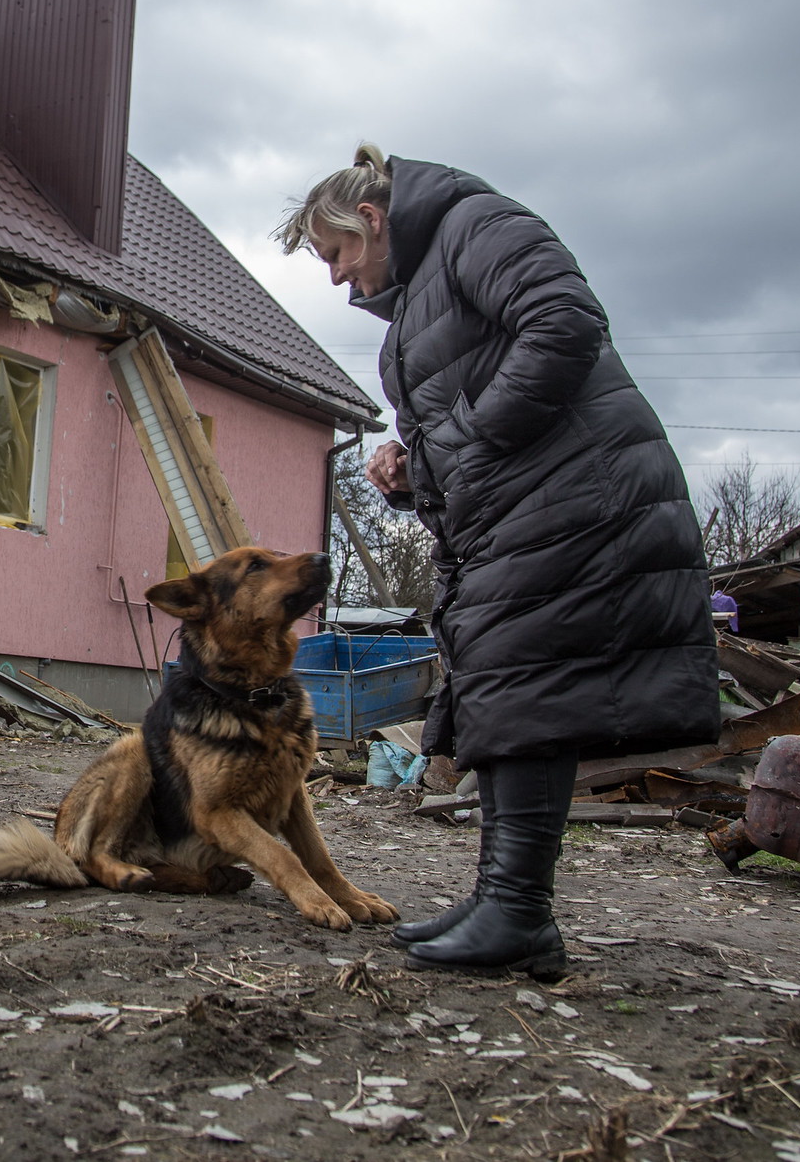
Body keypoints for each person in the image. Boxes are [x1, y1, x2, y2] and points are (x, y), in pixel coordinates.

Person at [278, 145, 719, 979]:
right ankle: (506, 903)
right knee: (519, 689)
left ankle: (517, 910)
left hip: (582, 497)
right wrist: (411, 474)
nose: (336, 277)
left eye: (336, 253)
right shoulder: (417, 311)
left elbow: (566, 323)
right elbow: (462, 442)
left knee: (525, 683)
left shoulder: (474, 225)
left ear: (370, 219)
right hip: (525, 511)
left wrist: (459, 437)